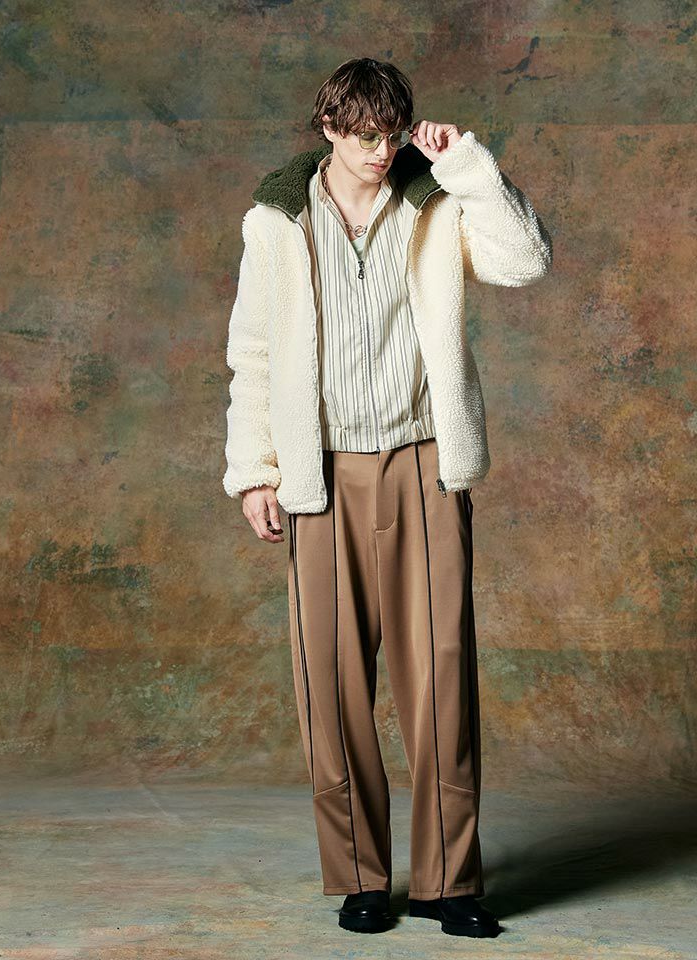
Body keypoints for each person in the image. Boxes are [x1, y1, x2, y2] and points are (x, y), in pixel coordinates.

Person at [222, 57, 552, 938]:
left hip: (424, 461)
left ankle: (450, 882)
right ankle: (361, 878)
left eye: (391, 135)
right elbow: (252, 350)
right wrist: (255, 471)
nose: (380, 151)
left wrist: (466, 166)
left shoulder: (434, 197)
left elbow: (526, 262)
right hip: (320, 472)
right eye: (364, 136)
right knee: (329, 683)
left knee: (441, 674)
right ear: (329, 128)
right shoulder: (276, 220)